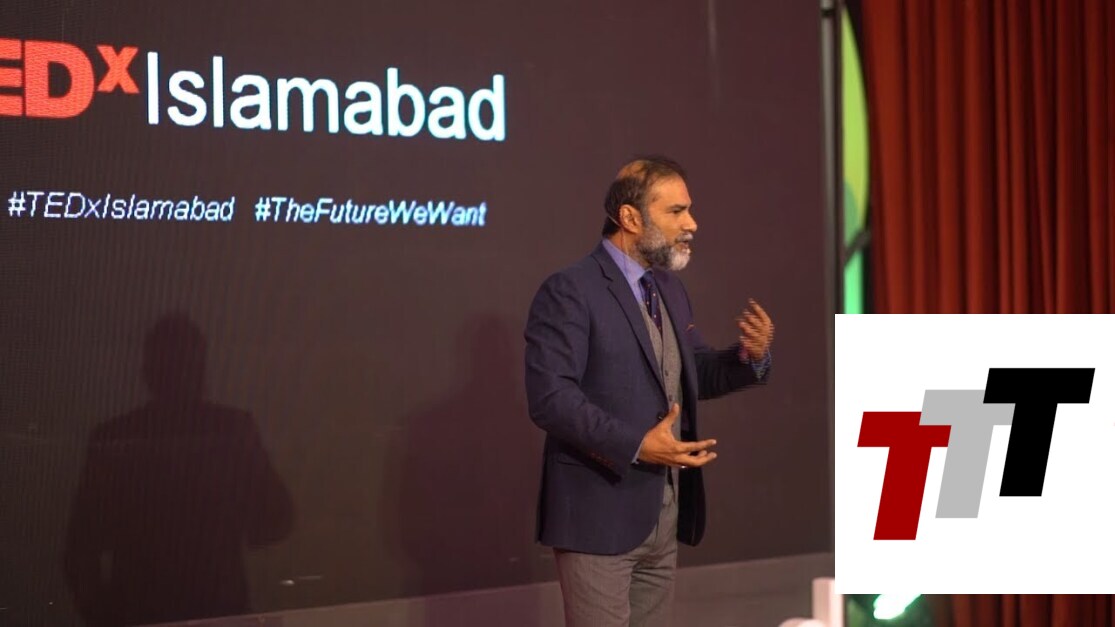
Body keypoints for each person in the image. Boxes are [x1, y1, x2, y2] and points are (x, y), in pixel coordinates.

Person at [524, 156, 775, 626]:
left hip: (662, 517)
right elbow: (551, 399)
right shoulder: (570, 290)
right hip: (597, 516)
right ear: (631, 218)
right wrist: (637, 445)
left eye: (689, 210)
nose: (692, 224)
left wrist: (749, 356)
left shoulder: (669, 289)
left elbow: (691, 372)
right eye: (676, 211)